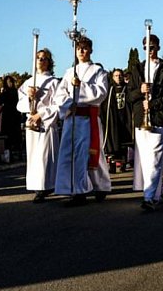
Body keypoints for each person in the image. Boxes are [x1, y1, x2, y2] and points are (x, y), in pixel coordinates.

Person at [53, 36, 111, 206]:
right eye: (78, 48)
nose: (81, 51)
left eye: (85, 48)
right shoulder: (69, 72)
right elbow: (60, 93)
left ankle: (101, 186)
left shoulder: (98, 71)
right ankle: (76, 190)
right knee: (71, 155)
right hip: (72, 118)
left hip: (88, 119)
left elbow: (101, 92)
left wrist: (81, 87)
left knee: (91, 153)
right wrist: (67, 105)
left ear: (91, 50)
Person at [128, 34, 163, 211]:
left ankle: (149, 197)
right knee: (145, 161)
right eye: (146, 47)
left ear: (158, 47)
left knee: (155, 159)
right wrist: (140, 91)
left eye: (152, 47)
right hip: (141, 120)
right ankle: (157, 192)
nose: (149, 51)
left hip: (158, 119)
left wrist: (155, 104)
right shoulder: (137, 69)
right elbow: (129, 95)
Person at [17, 48, 61, 203]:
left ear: (49, 62)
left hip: (45, 123)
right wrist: (29, 98)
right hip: (32, 125)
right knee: (34, 157)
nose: (40, 61)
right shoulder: (29, 82)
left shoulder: (54, 82)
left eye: (44, 58)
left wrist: (41, 114)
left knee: (45, 156)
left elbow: (58, 105)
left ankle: (46, 186)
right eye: (38, 58)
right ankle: (37, 185)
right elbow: (19, 104)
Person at [101, 68, 133, 173]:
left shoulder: (127, 88)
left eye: (120, 75)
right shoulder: (109, 89)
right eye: (116, 75)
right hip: (112, 119)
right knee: (113, 141)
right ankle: (112, 165)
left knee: (124, 141)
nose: (118, 77)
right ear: (112, 77)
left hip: (124, 117)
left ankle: (123, 163)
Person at [0, 75, 23, 159]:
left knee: (7, 136)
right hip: (16, 116)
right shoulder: (17, 92)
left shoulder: (4, 93)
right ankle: (19, 154)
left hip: (7, 117)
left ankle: (8, 155)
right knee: (16, 135)